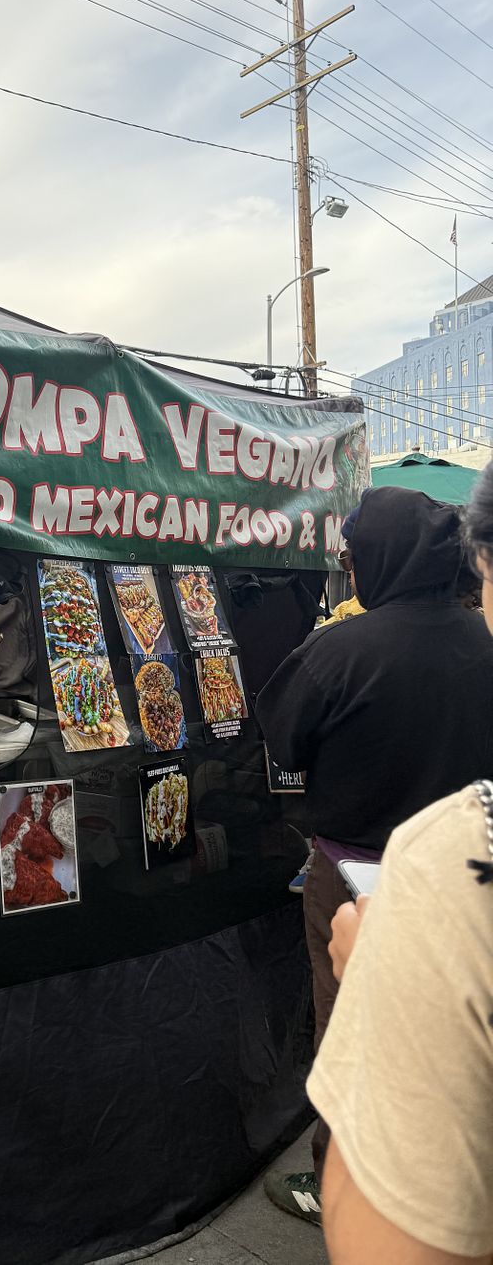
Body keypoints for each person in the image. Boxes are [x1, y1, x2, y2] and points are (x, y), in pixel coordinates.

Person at [255, 485, 493, 1225]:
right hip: (469, 872)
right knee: (450, 1033)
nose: (350, 571)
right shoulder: (484, 639)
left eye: (354, 558)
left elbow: (283, 740)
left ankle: (345, 1188)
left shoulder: (337, 650)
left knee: (352, 1031)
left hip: (356, 877)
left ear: (379, 558)